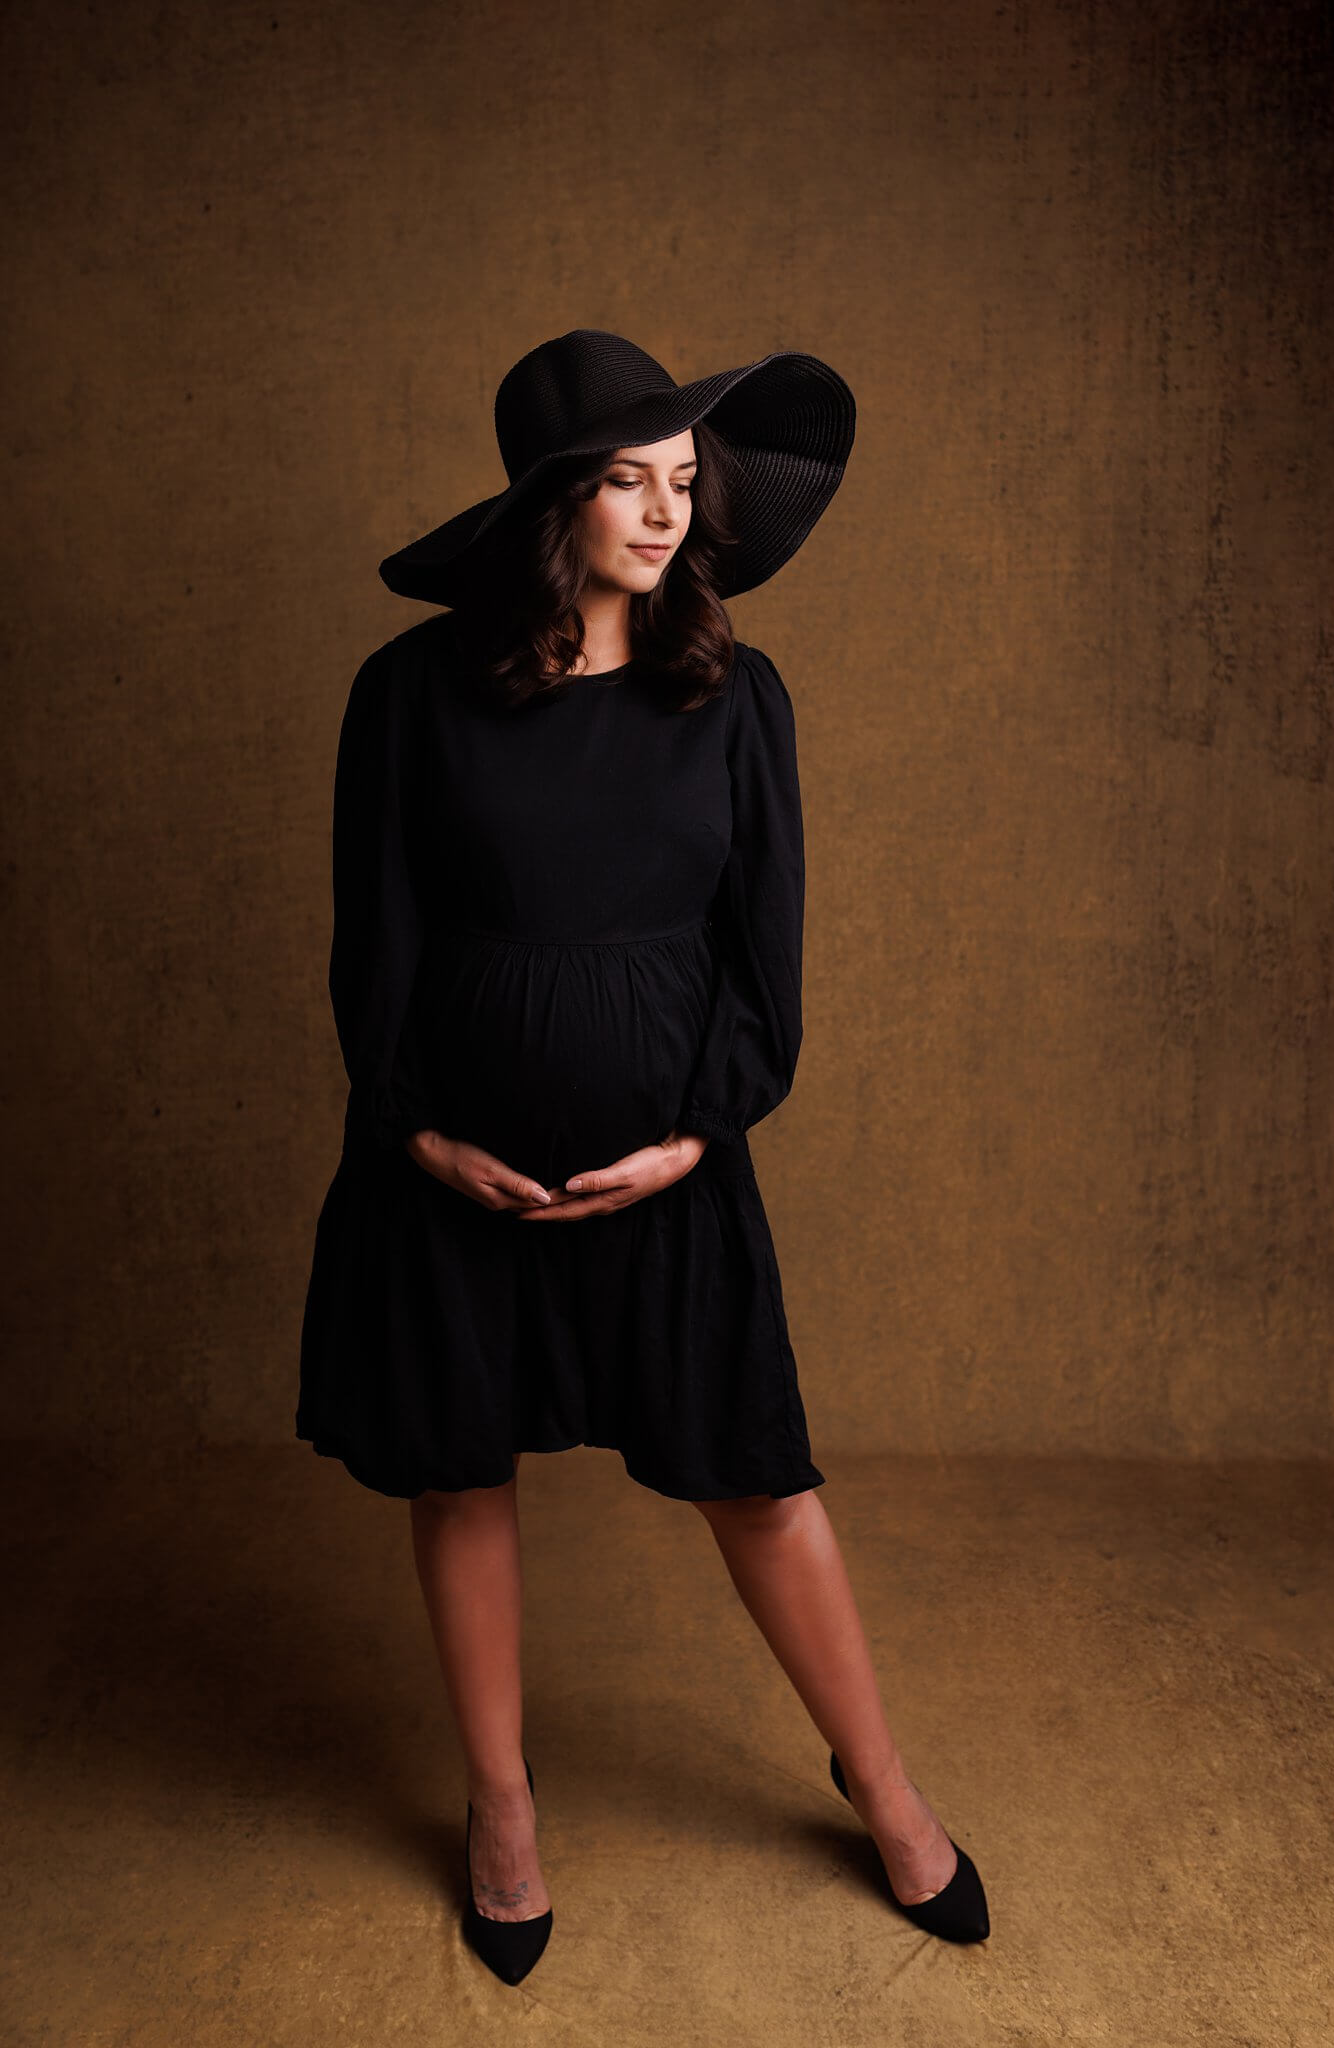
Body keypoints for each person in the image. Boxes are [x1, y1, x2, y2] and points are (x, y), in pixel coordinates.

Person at [297, 329, 990, 1984]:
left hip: (670, 1173)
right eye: (629, 478)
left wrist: (696, 1133)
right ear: (554, 497)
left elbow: (768, 957)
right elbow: (370, 937)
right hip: (456, 1179)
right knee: (463, 1473)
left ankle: (879, 1780)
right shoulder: (407, 694)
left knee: (758, 1479)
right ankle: (503, 1805)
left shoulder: (735, 697)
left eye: (686, 482)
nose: (668, 513)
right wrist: (414, 1128)